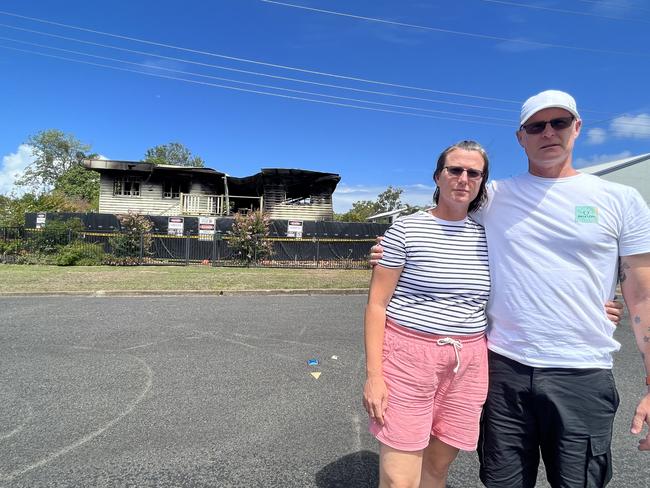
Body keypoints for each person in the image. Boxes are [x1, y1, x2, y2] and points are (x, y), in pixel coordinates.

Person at [370, 89, 650, 488]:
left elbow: (643, 295)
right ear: (521, 137)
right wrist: (387, 246)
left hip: (583, 371)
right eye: (536, 125)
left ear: (578, 127)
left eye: (560, 122)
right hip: (504, 367)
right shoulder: (494, 197)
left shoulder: (621, 200)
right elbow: (441, 221)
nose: (548, 132)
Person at [364, 140, 491, 488]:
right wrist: (374, 376)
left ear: (481, 182)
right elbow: (377, 305)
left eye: (473, 173)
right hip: (408, 356)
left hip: (468, 362)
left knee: (436, 467)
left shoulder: (489, 237)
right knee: (398, 479)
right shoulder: (405, 230)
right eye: (455, 170)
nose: (463, 178)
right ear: (438, 177)